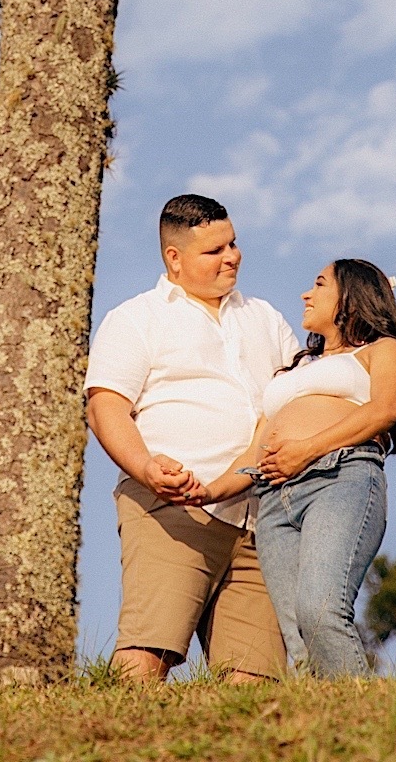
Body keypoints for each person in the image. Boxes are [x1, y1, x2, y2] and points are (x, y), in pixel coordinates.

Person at [84, 193, 299, 682]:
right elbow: (105, 407)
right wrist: (146, 468)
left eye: (233, 244)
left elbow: (293, 403)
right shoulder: (136, 318)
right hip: (172, 510)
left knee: (255, 682)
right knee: (146, 655)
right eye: (214, 250)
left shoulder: (265, 317)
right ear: (174, 258)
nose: (232, 257)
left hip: (260, 520)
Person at [199, 258, 396, 677]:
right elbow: (254, 451)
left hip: (338, 479)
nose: (306, 293)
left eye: (320, 284)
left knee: (320, 609)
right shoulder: (296, 368)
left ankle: (362, 709)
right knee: (298, 635)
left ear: (352, 297)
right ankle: (322, 715)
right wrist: (207, 492)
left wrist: (305, 451)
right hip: (274, 498)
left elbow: (384, 410)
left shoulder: (380, 350)